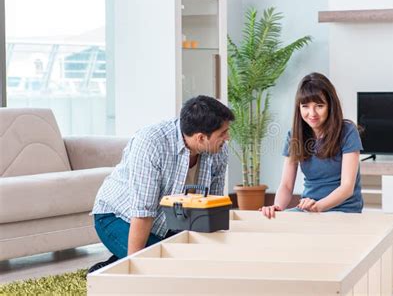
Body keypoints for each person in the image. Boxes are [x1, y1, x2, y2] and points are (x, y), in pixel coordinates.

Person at [88, 95, 234, 272]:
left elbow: (211, 208)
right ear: (201, 138)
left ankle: (115, 263)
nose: (228, 138)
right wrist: (136, 271)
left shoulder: (218, 149)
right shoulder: (151, 143)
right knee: (169, 268)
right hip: (119, 216)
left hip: (169, 221)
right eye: (223, 133)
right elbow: (143, 213)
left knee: (195, 264)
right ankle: (116, 269)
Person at [261, 72, 363, 218]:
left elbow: (347, 188)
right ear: (299, 107)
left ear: (330, 106)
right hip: (309, 209)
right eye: (305, 106)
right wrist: (277, 208)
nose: (312, 113)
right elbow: (286, 185)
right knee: (275, 226)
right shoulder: (294, 135)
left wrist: (317, 207)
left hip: (343, 210)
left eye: (319, 106)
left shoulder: (347, 131)